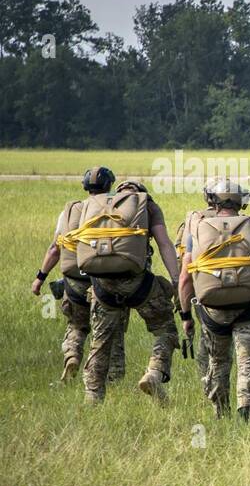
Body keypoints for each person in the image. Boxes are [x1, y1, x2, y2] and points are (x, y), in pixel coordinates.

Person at [178, 180, 250, 421]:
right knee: (248, 359)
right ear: (240, 202)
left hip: (212, 310)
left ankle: (220, 413)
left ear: (212, 201)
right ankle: (246, 411)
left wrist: (186, 316)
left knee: (218, 362)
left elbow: (185, 279)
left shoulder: (198, 230)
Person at [74, 179, 180, 404]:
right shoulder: (147, 205)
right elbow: (163, 243)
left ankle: (92, 397)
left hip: (103, 287)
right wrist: (176, 280)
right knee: (166, 330)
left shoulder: (97, 204)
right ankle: (154, 372)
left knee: (100, 343)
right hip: (139, 285)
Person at [31, 166, 129, 383]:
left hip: (75, 282)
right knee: (111, 332)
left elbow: (55, 249)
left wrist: (40, 277)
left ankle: (72, 355)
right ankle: (113, 377)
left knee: (76, 326)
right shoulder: (116, 211)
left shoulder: (70, 212)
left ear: (86, 187)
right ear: (109, 186)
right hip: (107, 281)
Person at [174, 186, 221, 377]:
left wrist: (182, 307)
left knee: (206, 331)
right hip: (236, 285)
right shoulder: (239, 221)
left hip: (201, 287)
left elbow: (181, 264)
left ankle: (206, 375)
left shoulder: (193, 223)